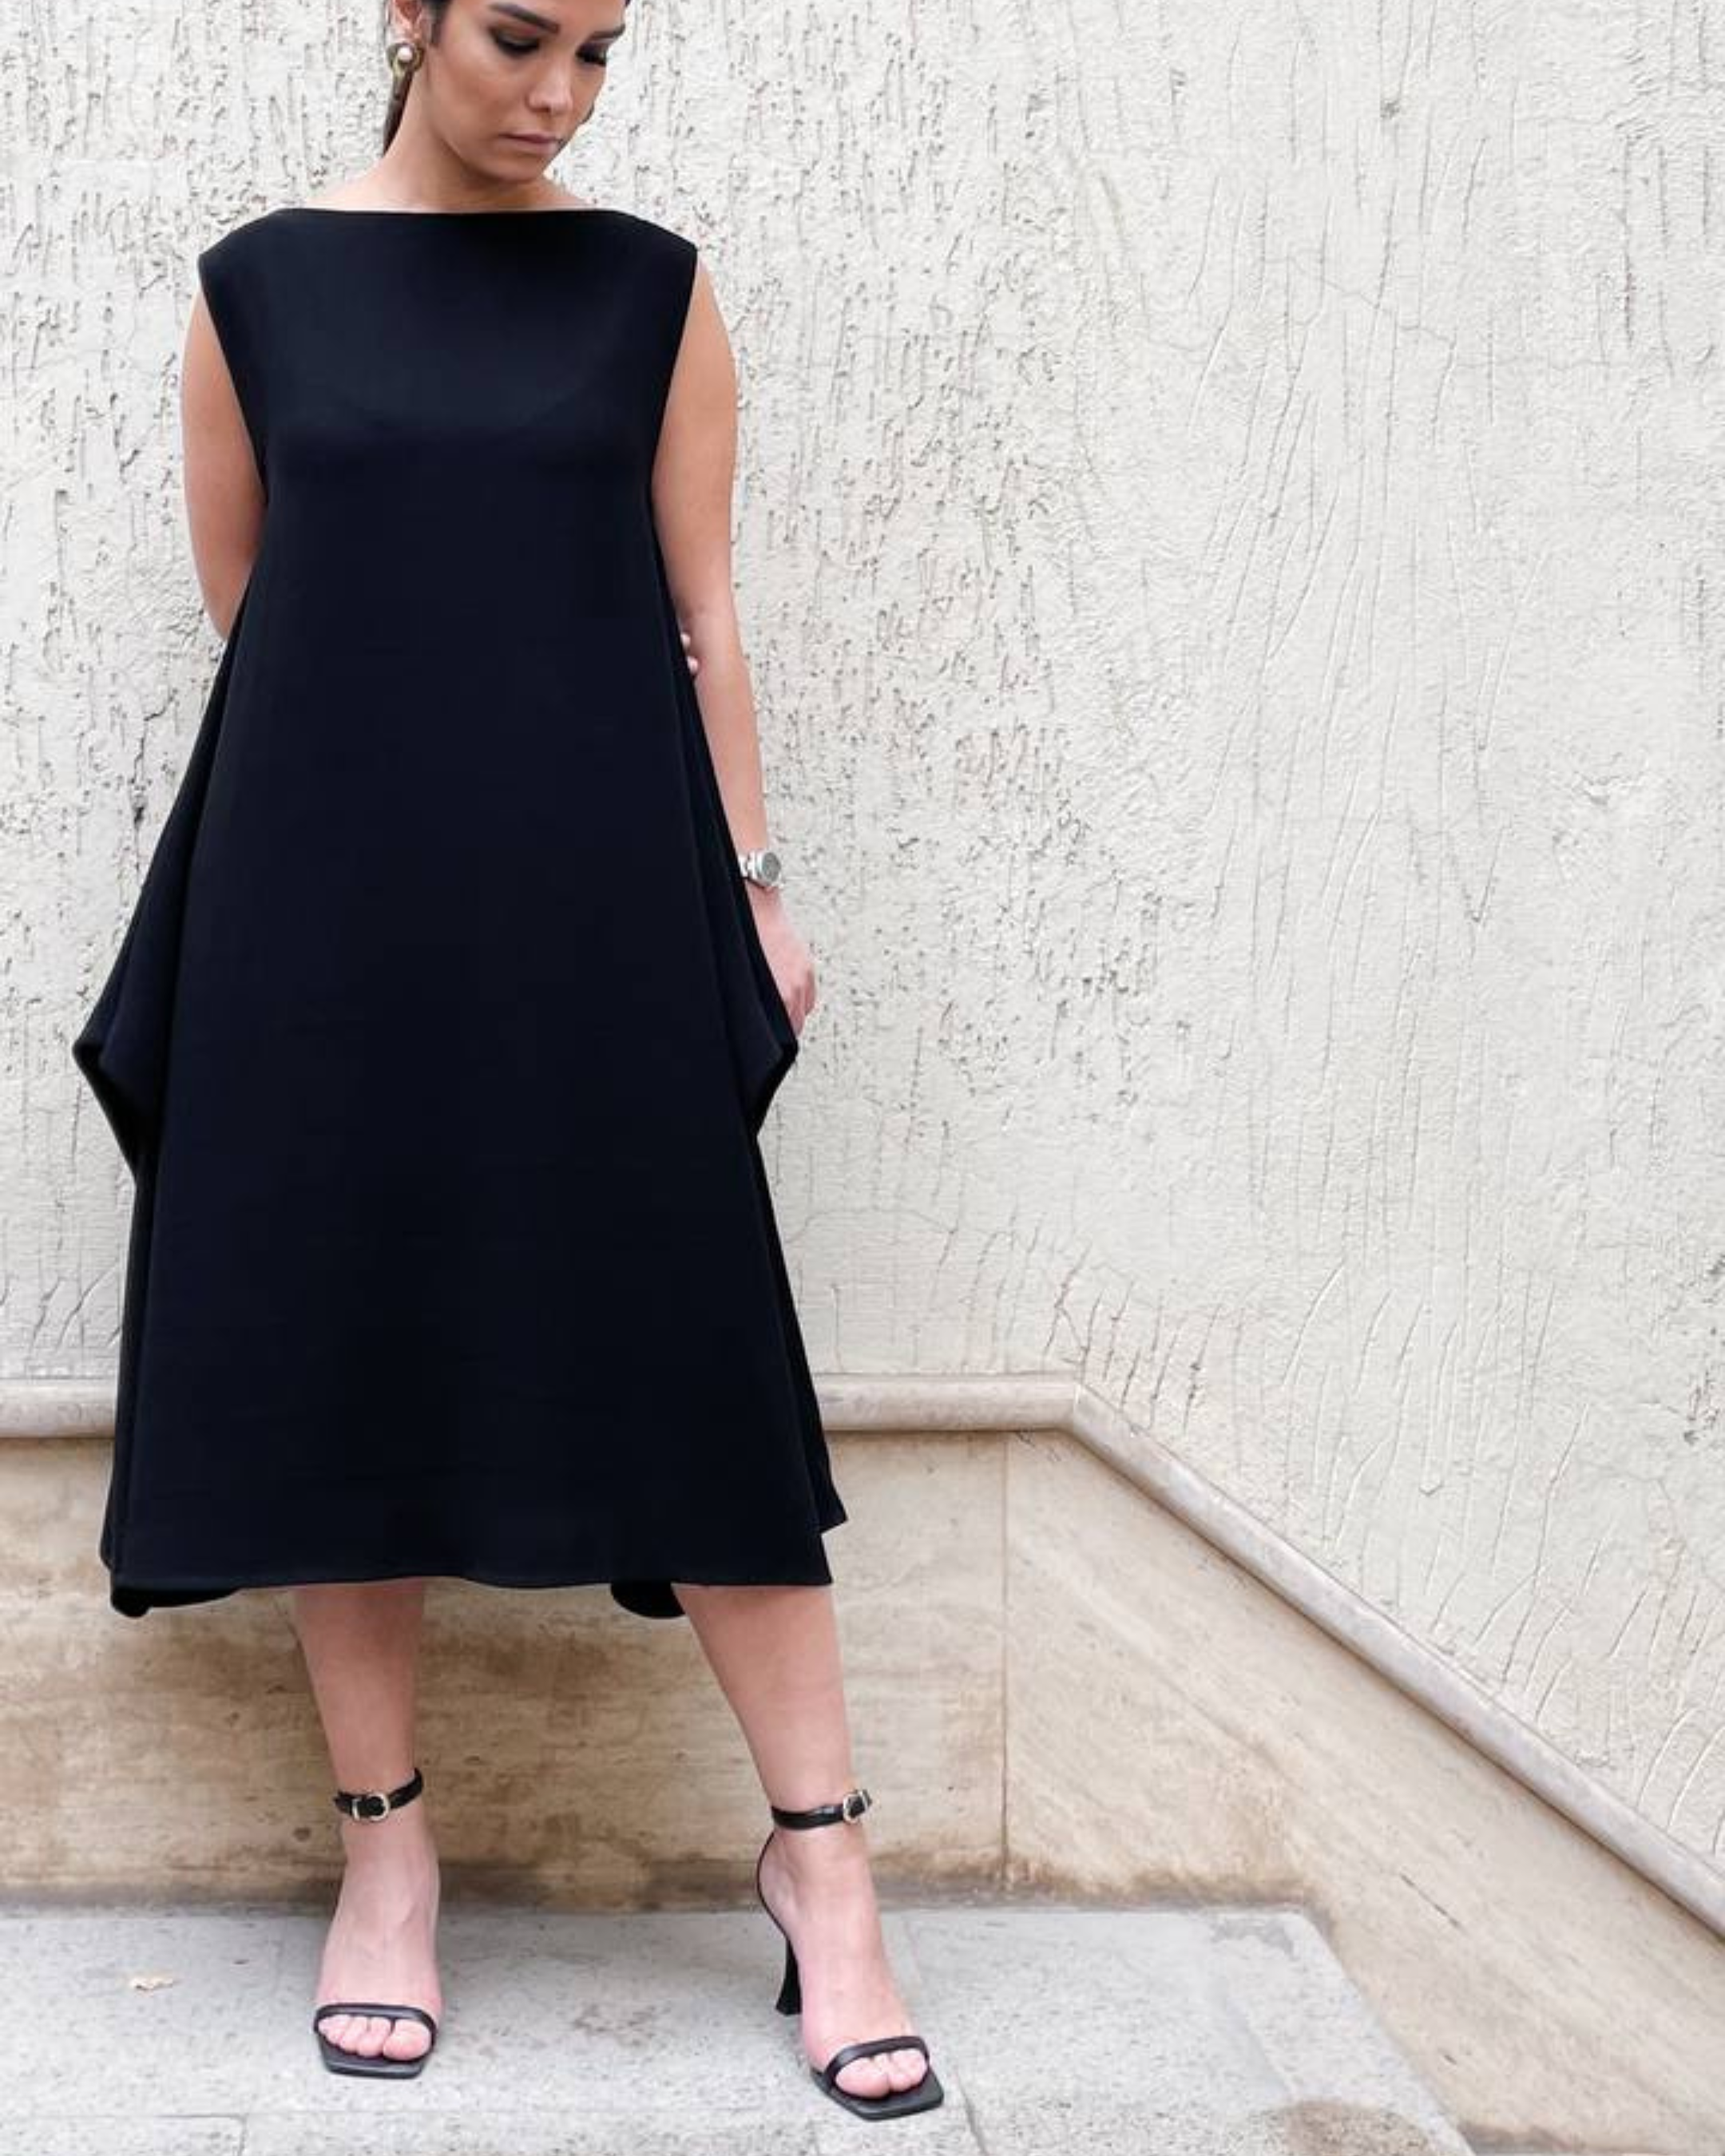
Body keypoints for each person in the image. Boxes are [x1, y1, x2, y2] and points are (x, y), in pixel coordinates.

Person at [69, 0, 942, 2122]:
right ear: (409, 16)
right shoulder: (257, 287)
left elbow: (704, 608)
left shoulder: (651, 288)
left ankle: (827, 1872)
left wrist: (747, 878)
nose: (557, 93)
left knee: (696, 1354)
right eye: (519, 39)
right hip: (324, 894)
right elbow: (257, 594)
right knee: (338, 1343)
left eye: (599, 55)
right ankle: (389, 1855)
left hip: (602, 892)